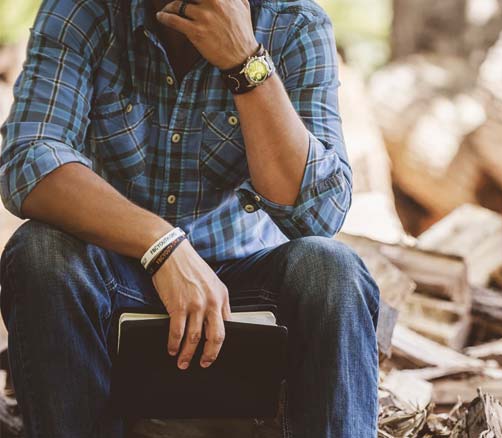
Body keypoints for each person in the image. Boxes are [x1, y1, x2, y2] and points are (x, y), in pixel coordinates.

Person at [0, 0, 379, 436]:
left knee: (332, 270)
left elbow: (320, 213)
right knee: (40, 251)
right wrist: (161, 246)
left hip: (244, 299)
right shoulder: (83, 12)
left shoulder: (294, 23)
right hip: (114, 283)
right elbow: (29, 162)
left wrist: (246, 62)